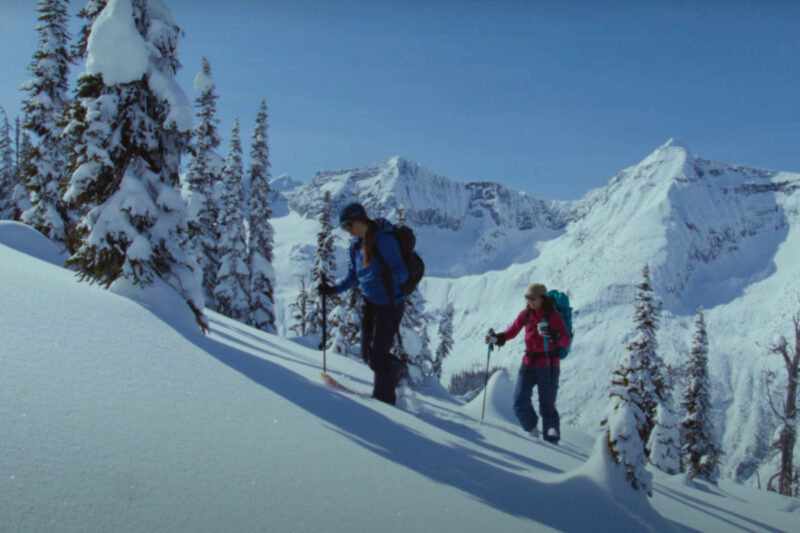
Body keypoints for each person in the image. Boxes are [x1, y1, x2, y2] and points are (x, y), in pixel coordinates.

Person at [319, 203, 409, 405]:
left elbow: (404, 272)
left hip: (390, 305)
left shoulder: (384, 240)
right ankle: (398, 370)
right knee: (368, 356)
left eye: (349, 226)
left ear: (360, 219)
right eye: (344, 228)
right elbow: (354, 276)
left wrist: (391, 275)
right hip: (369, 303)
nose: (348, 231)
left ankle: (384, 401)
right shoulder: (356, 245)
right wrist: (333, 289)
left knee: (378, 355)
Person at [486, 283, 570, 443]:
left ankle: (552, 443)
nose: (530, 301)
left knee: (547, 407)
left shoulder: (552, 316)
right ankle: (532, 434)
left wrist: (552, 334)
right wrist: (497, 338)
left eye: (533, 299)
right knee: (519, 401)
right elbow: (512, 331)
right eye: (527, 298)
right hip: (529, 363)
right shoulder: (525, 314)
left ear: (542, 299)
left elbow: (566, 341)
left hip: (548, 364)